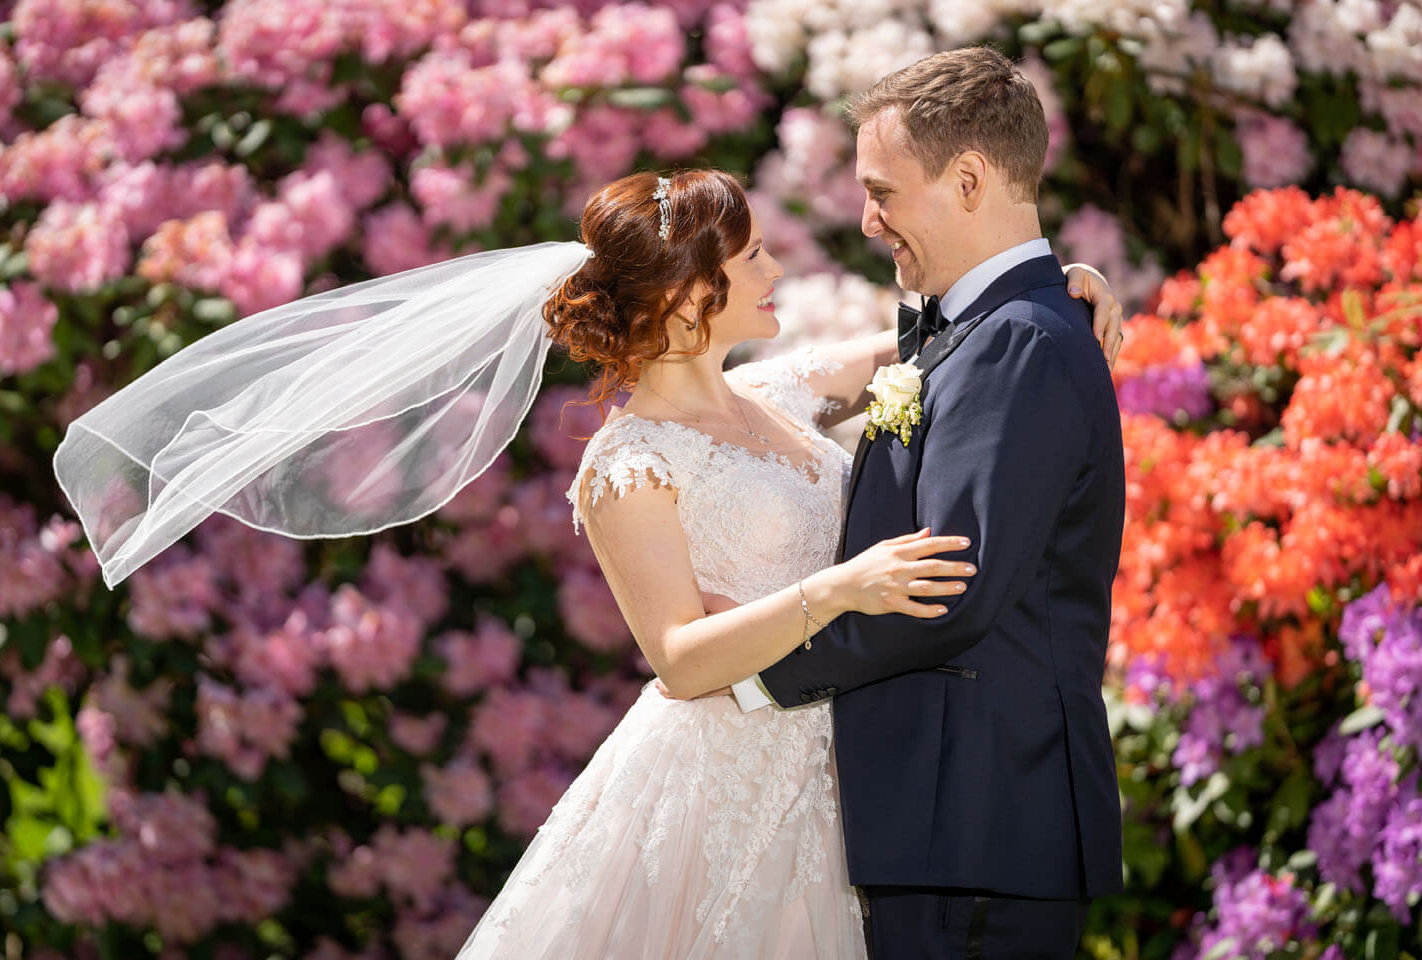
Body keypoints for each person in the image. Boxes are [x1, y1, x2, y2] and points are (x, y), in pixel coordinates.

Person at [453, 162, 1121, 957]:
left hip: (846, 763)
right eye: (752, 259)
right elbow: (679, 659)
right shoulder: (626, 464)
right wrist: (836, 590)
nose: (776, 271)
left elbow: (966, 335)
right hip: (724, 775)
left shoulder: (777, 391)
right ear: (686, 290)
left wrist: (1053, 286)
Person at [733, 48, 1128, 959]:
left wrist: (751, 676)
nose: (868, 221)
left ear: (969, 179)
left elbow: (946, 585)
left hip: (975, 825)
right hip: (950, 827)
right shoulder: (994, 329)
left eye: (885, 191)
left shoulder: (1020, 342)